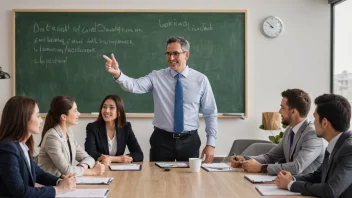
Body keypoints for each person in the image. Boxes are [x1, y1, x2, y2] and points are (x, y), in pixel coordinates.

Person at [103, 36, 218, 162]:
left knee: (189, 181)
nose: (171, 58)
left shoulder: (201, 80)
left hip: (189, 141)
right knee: (158, 180)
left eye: (175, 53)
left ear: (186, 55)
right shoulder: (157, 77)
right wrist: (117, 73)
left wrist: (210, 143)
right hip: (162, 141)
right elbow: (134, 86)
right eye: (168, 54)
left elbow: (210, 113)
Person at [231, 89, 324, 175]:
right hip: (289, 185)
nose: (279, 112)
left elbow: (296, 167)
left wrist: (262, 168)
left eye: (282, 108)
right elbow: (270, 157)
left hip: (305, 189)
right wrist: (244, 160)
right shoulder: (289, 131)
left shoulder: (312, 135)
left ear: (293, 112)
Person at [275, 93, 352, 197]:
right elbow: (318, 176)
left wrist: (290, 184)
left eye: (315, 118)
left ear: (325, 123)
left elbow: (330, 191)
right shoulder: (337, 143)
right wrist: (292, 178)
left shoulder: (349, 150)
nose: (313, 122)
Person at [0, 96, 76, 197]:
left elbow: (38, 173)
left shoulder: (22, 146)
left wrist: (60, 181)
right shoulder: (8, 149)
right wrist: (58, 189)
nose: (41, 121)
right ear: (24, 118)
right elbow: (20, 192)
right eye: (38, 116)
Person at [37, 96, 105, 177]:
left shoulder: (69, 133)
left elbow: (88, 158)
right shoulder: (52, 137)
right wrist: (93, 171)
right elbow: (67, 170)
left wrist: (82, 167)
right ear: (64, 117)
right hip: (49, 186)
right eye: (75, 111)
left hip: (64, 183)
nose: (79, 114)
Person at [85, 95, 143, 164]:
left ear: (119, 112)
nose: (107, 110)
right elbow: (90, 153)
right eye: (104, 107)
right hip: (99, 168)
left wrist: (122, 159)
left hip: (119, 169)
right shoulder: (92, 127)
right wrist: (119, 159)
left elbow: (139, 154)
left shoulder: (126, 127)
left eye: (111, 107)